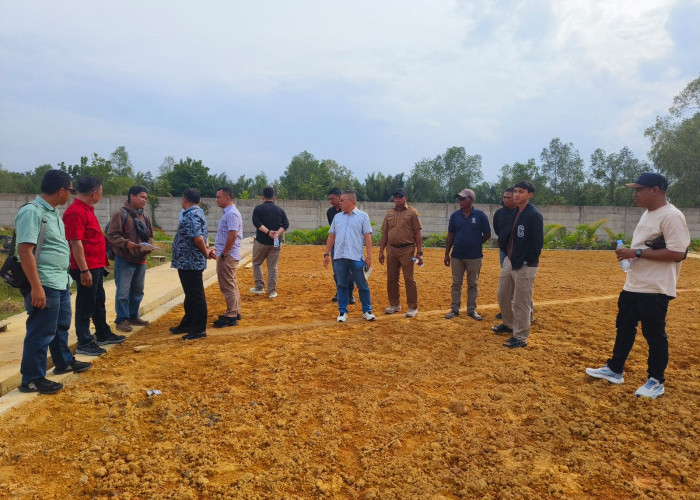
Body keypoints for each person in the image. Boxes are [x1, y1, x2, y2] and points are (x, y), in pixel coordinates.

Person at [585, 173, 690, 399]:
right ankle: (615, 369)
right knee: (624, 327)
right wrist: (631, 255)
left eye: (639, 189)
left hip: (655, 287)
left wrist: (637, 252)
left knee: (654, 334)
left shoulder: (672, 216)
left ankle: (656, 380)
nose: (635, 194)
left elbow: (678, 253)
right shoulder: (647, 213)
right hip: (634, 284)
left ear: (655, 189)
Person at [16, 170, 91, 394]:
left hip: (59, 280)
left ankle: (63, 362)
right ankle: (32, 379)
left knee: (60, 327)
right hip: (44, 282)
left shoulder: (53, 213)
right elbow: (25, 251)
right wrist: (36, 287)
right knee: (41, 331)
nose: (70, 195)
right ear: (61, 191)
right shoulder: (32, 212)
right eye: (70, 190)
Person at [63, 176, 125, 357]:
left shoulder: (87, 209)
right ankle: (84, 341)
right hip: (86, 267)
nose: (101, 196)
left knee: (98, 301)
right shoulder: (76, 212)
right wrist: (84, 270)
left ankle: (103, 333)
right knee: (86, 304)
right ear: (94, 193)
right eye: (101, 192)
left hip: (95, 265)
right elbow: (75, 242)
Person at [491, 180, 543, 348]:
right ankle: (509, 324)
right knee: (503, 294)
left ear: (530, 194)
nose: (516, 194)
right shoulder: (516, 212)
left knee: (521, 301)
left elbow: (537, 243)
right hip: (510, 259)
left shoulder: (533, 215)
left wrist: (526, 260)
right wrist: (509, 254)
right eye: (515, 191)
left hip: (525, 264)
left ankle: (520, 336)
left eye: (521, 191)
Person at [107, 186, 154, 332]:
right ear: (132, 196)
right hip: (124, 259)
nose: (144, 200)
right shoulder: (120, 214)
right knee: (123, 292)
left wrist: (149, 246)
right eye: (141, 197)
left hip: (140, 260)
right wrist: (126, 243)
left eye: (145, 198)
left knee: (138, 290)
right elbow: (112, 235)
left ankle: (133, 315)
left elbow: (150, 235)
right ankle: (121, 319)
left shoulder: (145, 216)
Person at [170, 188, 215, 340]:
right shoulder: (199, 213)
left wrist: (206, 252)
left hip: (190, 262)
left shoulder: (191, 215)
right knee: (190, 294)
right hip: (188, 262)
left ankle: (199, 329)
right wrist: (206, 249)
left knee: (195, 295)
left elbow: (198, 238)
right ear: (199, 200)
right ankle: (188, 323)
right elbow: (202, 236)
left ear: (184, 200)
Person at [323, 190, 375, 322]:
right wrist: (326, 253)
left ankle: (367, 310)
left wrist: (369, 256)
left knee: (362, 285)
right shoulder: (337, 217)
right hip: (339, 257)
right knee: (341, 284)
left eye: (342, 200)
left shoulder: (363, 216)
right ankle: (342, 311)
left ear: (352, 201)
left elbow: (367, 237)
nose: (340, 203)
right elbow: (331, 236)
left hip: (356, 257)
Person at [444, 188, 491, 321]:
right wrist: (447, 254)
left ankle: (471, 310)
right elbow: (450, 236)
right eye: (459, 198)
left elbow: (487, 234)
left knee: (473, 284)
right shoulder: (455, 216)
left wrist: (476, 243)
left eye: (462, 198)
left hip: (474, 257)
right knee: (456, 283)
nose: (459, 201)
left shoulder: (480, 215)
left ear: (471, 200)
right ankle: (455, 309)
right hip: (457, 256)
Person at [378, 188, 423, 318]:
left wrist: (419, 252)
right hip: (391, 249)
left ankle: (413, 307)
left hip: (407, 250)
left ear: (405, 198)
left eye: (400, 197)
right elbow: (385, 234)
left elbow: (417, 233)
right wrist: (381, 251)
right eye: (395, 197)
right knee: (392, 278)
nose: (397, 199)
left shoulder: (412, 213)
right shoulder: (389, 214)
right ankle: (394, 305)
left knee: (409, 278)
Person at [250, 187, 289, 298]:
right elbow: (286, 224)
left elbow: (256, 222)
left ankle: (259, 287)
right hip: (276, 241)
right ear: (274, 197)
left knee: (257, 263)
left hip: (261, 241)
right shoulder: (280, 210)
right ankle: (272, 291)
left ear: (263, 198)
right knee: (273, 266)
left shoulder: (258, 209)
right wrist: (277, 233)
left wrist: (268, 232)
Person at [212, 187, 243, 328]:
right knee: (231, 284)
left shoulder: (231, 214)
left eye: (219, 197)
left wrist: (224, 253)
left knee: (227, 285)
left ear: (227, 198)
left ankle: (231, 316)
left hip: (228, 255)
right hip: (229, 254)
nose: (216, 200)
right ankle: (235, 311)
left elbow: (233, 235)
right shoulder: (230, 213)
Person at [327, 187, 355, 304]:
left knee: (350, 272)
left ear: (340, 197)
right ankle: (340, 292)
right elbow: (333, 232)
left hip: (349, 247)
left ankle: (350, 294)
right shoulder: (330, 212)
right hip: (336, 247)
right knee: (337, 271)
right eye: (329, 199)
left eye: (332, 198)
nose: (331, 201)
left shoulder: (350, 211)